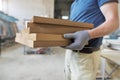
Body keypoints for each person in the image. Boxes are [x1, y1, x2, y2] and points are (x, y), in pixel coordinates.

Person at [63, 0, 119, 80]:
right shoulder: (75, 3)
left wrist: (88, 35)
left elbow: (113, 22)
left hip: (86, 55)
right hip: (70, 53)